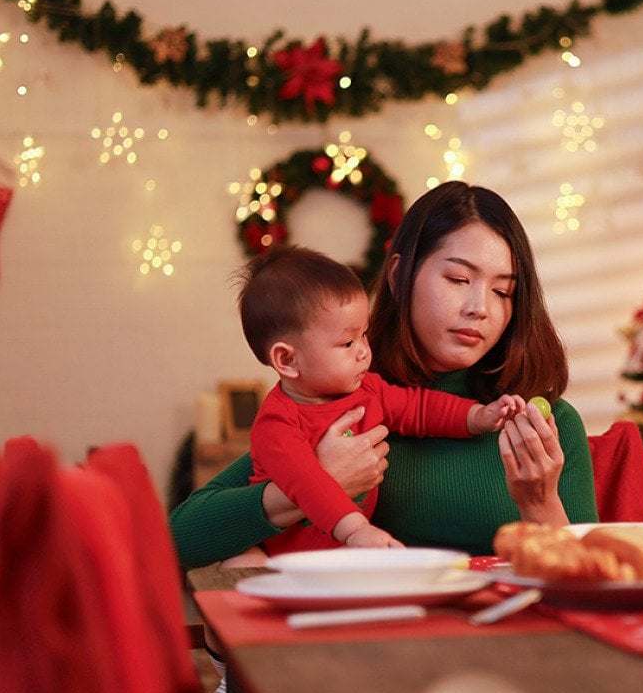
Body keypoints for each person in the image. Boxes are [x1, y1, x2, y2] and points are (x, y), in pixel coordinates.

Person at [170, 180, 599, 566]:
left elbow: (587, 583)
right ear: (400, 275)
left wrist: (541, 504)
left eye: (503, 291)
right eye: (457, 279)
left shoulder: (546, 424)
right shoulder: (348, 400)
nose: (480, 308)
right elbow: (180, 537)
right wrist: (318, 483)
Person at [235, 245, 525, 553]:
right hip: (281, 556)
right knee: (240, 565)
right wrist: (358, 529)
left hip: (340, 551)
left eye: (363, 335)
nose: (363, 350)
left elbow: (421, 408)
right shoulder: (277, 423)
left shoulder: (369, 390)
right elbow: (308, 485)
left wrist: (478, 416)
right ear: (288, 360)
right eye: (347, 342)